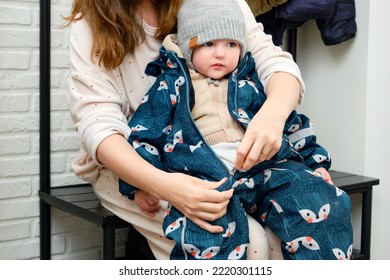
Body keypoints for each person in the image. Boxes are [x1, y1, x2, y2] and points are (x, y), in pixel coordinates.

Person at [65, 0, 319, 260]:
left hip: (230, 162)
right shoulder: (92, 21)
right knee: (249, 244)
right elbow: (97, 123)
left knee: (290, 235)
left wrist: (273, 114)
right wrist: (163, 185)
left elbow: (273, 62)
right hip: (135, 165)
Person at [119, 0, 353, 260]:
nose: (220, 53)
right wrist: (138, 185)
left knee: (323, 202)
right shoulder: (170, 85)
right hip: (206, 178)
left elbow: (291, 124)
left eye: (230, 44)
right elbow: (144, 133)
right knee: (210, 234)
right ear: (187, 46)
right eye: (208, 44)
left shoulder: (251, 82)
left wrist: (314, 163)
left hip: (264, 170)